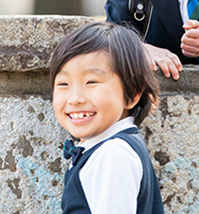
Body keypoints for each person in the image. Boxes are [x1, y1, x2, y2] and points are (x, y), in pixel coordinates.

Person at [49, 21, 164, 214]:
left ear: (133, 94)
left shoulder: (113, 154)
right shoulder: (106, 149)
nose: (75, 98)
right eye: (63, 84)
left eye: (91, 82)